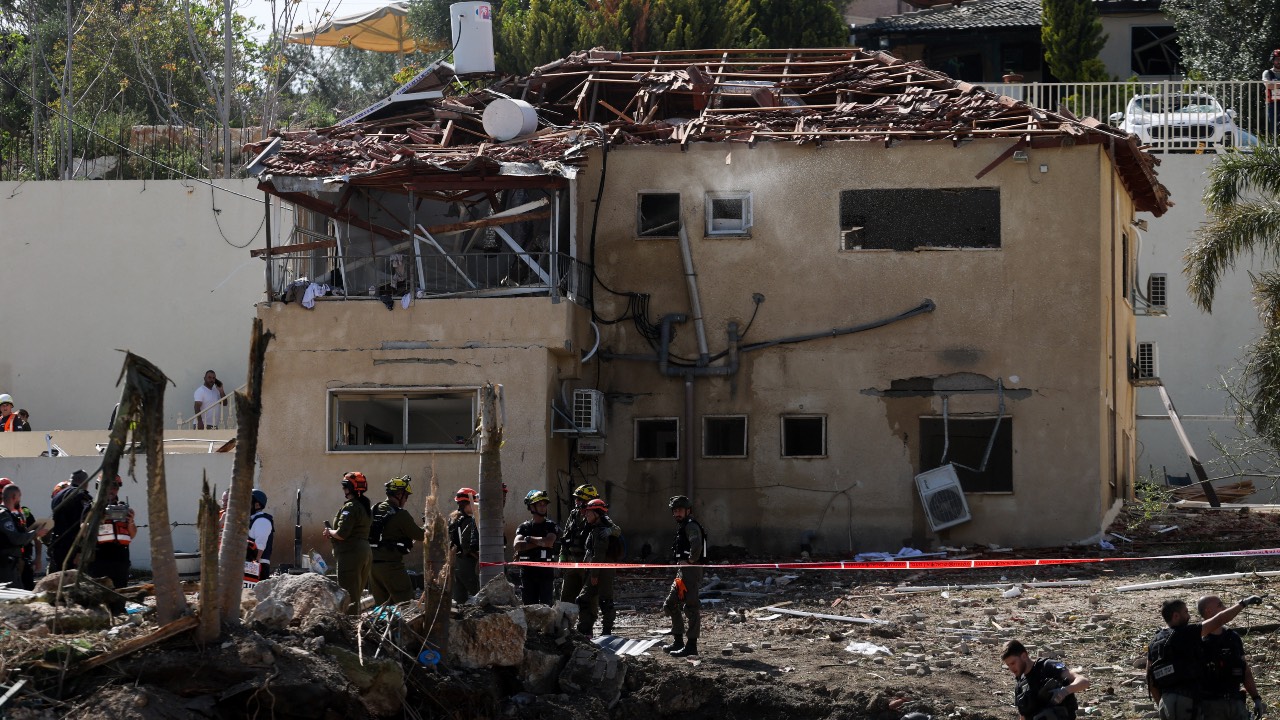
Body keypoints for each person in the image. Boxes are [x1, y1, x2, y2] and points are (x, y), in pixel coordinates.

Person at [1148, 595, 1262, 720]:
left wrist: (1161, 703)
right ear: (1176, 616)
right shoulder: (1186, 634)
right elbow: (1219, 620)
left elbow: (1150, 679)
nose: (1189, 616)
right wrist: (1243, 603)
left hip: (1166, 703)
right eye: (1186, 612)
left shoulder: (1155, 642)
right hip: (1188, 703)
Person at [1198, 595, 1266, 720]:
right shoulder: (1197, 638)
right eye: (1220, 605)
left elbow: (1244, 670)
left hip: (1235, 702)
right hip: (1210, 705)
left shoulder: (1232, 637)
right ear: (1208, 611)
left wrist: (1256, 698)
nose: (1225, 608)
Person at [369, 476, 424, 607]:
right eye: (406, 496)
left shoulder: (374, 509)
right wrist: (429, 526)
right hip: (392, 567)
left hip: (373, 567)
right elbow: (421, 535)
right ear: (399, 494)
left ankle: (383, 627)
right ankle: (402, 628)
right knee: (405, 604)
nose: (406, 500)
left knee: (382, 607)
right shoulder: (401, 514)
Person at [1001, 639, 1090, 719]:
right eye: (1008, 665)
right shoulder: (1020, 686)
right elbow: (1023, 716)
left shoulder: (1047, 666)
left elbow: (1084, 681)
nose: (1011, 668)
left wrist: (1064, 691)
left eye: (1013, 663)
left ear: (1024, 656)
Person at [322, 472, 372, 614]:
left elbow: (341, 534)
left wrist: (329, 532)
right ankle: (355, 625)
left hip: (350, 554)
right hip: (364, 552)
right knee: (356, 593)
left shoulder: (351, 507)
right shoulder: (365, 507)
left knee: (348, 594)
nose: (343, 490)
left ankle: (350, 627)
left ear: (349, 488)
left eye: (345, 487)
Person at [662, 495, 706, 658]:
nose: (677, 513)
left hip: (691, 571)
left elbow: (697, 545)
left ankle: (691, 646)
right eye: (674, 511)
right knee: (671, 603)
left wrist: (691, 560)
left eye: (679, 510)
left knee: (691, 607)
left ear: (688, 511)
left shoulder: (690, 526)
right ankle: (678, 641)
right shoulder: (684, 526)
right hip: (683, 570)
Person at [575, 498, 620, 636]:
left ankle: (606, 632)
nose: (585, 515)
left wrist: (594, 575)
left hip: (602, 571)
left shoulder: (601, 531)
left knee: (605, 601)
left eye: (589, 513)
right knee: (583, 599)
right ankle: (585, 630)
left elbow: (599, 555)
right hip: (597, 570)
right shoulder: (595, 529)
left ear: (597, 514)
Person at [84, 474, 137, 589]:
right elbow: (83, 532)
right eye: (108, 486)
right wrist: (100, 519)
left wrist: (131, 521)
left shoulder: (123, 507)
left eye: (115, 487)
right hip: (99, 560)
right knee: (99, 595)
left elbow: (132, 534)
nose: (112, 490)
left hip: (120, 560)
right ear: (100, 487)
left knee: (120, 594)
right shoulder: (91, 508)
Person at [513, 489, 559, 605]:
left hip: (545, 573)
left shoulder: (551, 525)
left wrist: (528, 539)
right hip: (528, 574)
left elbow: (549, 542)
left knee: (546, 607)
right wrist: (540, 542)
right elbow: (517, 545)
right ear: (532, 507)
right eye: (540, 505)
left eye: (545, 505)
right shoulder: (524, 527)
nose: (543, 507)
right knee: (529, 607)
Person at [558, 484, 598, 606]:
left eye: (580, 500)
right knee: (566, 599)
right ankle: (566, 624)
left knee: (587, 600)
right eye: (576, 499)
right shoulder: (574, 515)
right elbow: (566, 537)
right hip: (572, 562)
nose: (577, 502)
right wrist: (562, 557)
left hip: (588, 565)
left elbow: (615, 530)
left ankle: (585, 625)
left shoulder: (598, 515)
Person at [0, 485, 47, 587]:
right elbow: (16, 539)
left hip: (11, 564)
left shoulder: (11, 515)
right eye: (19, 496)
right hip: (5, 566)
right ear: (13, 497)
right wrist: (35, 533)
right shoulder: (4, 516)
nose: (20, 500)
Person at [49, 469, 90, 571]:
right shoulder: (82, 496)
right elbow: (83, 525)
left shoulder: (57, 496)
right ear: (86, 482)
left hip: (57, 545)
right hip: (73, 548)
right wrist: (80, 551)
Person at [448, 487, 480, 602]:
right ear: (467, 504)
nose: (475, 507)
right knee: (480, 594)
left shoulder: (453, 519)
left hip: (454, 562)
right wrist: (479, 558)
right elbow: (467, 546)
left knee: (458, 599)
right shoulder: (467, 521)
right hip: (466, 563)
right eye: (474, 504)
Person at [247, 489, 274, 582]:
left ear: (257, 505)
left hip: (259, 567)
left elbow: (260, 545)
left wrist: (254, 566)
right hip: (252, 565)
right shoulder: (253, 519)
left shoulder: (262, 520)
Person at [1265, 50, 1280, 137]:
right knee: (1273, 127)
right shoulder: (1268, 73)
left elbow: (1272, 85)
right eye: (1277, 59)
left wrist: (1275, 85)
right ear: (1273, 60)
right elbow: (1268, 86)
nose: (1279, 61)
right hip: (1272, 104)